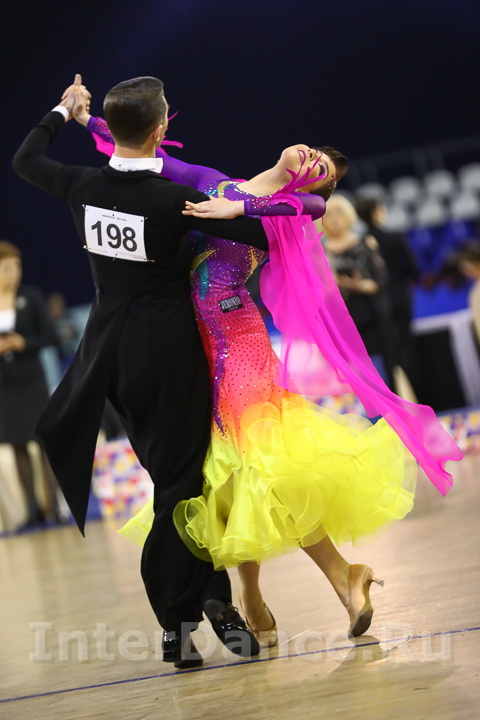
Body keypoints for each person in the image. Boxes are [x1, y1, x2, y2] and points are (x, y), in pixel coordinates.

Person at [78, 98, 460, 644]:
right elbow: (150, 157)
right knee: (232, 477)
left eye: (321, 168)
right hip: (196, 347)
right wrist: (87, 120)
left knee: (263, 464)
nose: (312, 157)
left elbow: (314, 207)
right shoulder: (219, 182)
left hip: (238, 343)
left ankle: (337, 578)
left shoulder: (288, 215)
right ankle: (257, 598)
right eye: (315, 151)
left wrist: (238, 211)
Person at [12, 74, 281, 668]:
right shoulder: (170, 199)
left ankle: (205, 602)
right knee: (182, 484)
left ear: (112, 130)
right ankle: (180, 618)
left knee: (175, 477)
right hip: (170, 352)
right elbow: (263, 233)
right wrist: (247, 203)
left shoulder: (81, 185)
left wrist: (63, 110)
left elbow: (26, 159)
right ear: (161, 129)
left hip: (110, 356)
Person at [0, 240, 62, 528]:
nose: (14, 273)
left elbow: (50, 336)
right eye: (7, 268)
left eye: (17, 267)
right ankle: (32, 511)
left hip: (32, 381)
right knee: (17, 445)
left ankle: (54, 508)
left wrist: (22, 343)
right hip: (4, 385)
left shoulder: (31, 297)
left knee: (43, 442)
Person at [320, 195, 396, 387]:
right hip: (341, 318)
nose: (334, 219)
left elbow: (379, 283)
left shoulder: (366, 243)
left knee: (384, 370)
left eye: (339, 213)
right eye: (329, 215)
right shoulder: (320, 252)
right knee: (356, 375)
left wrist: (354, 284)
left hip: (372, 315)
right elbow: (320, 293)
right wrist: (332, 283)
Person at [356, 196, 419, 391]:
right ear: (376, 212)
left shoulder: (361, 242)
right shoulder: (395, 237)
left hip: (375, 305)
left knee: (387, 353)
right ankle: (418, 396)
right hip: (399, 298)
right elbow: (414, 269)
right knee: (406, 349)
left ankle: (394, 399)